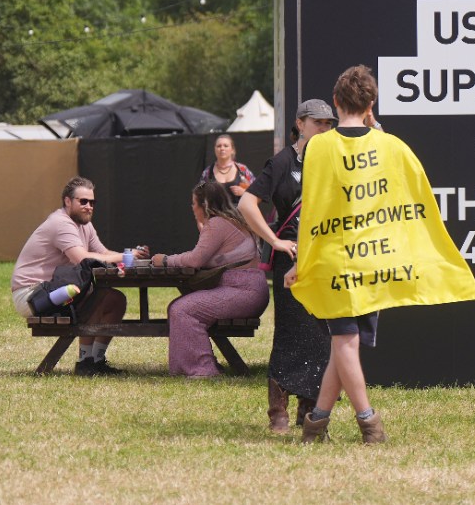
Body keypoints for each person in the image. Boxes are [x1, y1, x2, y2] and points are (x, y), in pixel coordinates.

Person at [287, 65, 387, 445]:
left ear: (335, 102)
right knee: (345, 342)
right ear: (371, 104)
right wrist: (377, 128)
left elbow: (313, 209)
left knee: (343, 343)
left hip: (333, 256)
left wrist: (300, 261)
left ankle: (349, 426)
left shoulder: (319, 147)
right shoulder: (385, 144)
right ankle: (344, 424)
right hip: (372, 256)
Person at [238, 99, 335, 433]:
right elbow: (246, 203)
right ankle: (277, 411)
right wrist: (275, 240)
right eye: (318, 122)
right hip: (291, 259)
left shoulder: (333, 158)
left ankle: (308, 409)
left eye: (328, 124)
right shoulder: (283, 161)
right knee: (290, 332)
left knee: (320, 336)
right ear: (300, 123)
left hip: (323, 257)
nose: (324, 128)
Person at [10, 176, 149, 376]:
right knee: (99, 297)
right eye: (83, 201)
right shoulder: (61, 223)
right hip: (33, 295)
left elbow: (102, 252)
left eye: (92, 202)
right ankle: (85, 363)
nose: (88, 206)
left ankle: (94, 361)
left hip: (54, 289)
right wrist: (126, 256)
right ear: (68, 201)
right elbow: (81, 259)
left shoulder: (85, 225)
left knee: (116, 300)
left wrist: (131, 258)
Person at [150, 181, 269, 377]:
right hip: (250, 289)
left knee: (182, 310)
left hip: (243, 290)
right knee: (179, 306)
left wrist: (164, 260)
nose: (192, 208)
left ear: (203, 205)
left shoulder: (217, 224)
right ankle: (200, 364)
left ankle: (202, 369)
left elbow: (195, 260)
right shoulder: (233, 220)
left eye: (193, 203)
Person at [200, 133, 255, 206]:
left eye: (226, 146)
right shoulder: (208, 172)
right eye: (219, 146)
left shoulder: (242, 170)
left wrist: (244, 192)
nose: (222, 148)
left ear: (232, 150)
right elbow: (199, 195)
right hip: (215, 215)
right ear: (215, 149)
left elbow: (257, 191)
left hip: (238, 215)